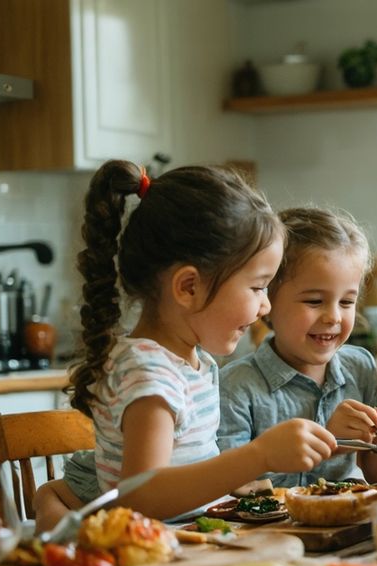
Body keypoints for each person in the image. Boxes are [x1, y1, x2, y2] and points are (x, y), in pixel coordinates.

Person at [33, 161, 337, 532]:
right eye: (258, 287)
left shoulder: (193, 362)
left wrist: (230, 481)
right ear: (189, 287)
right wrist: (257, 456)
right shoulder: (149, 374)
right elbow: (141, 497)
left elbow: (182, 465)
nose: (266, 306)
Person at [218, 207, 377, 487]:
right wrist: (330, 443)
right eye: (314, 301)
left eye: (347, 302)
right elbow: (232, 489)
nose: (334, 317)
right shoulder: (236, 386)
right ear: (267, 304)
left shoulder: (360, 366)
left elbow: (375, 475)